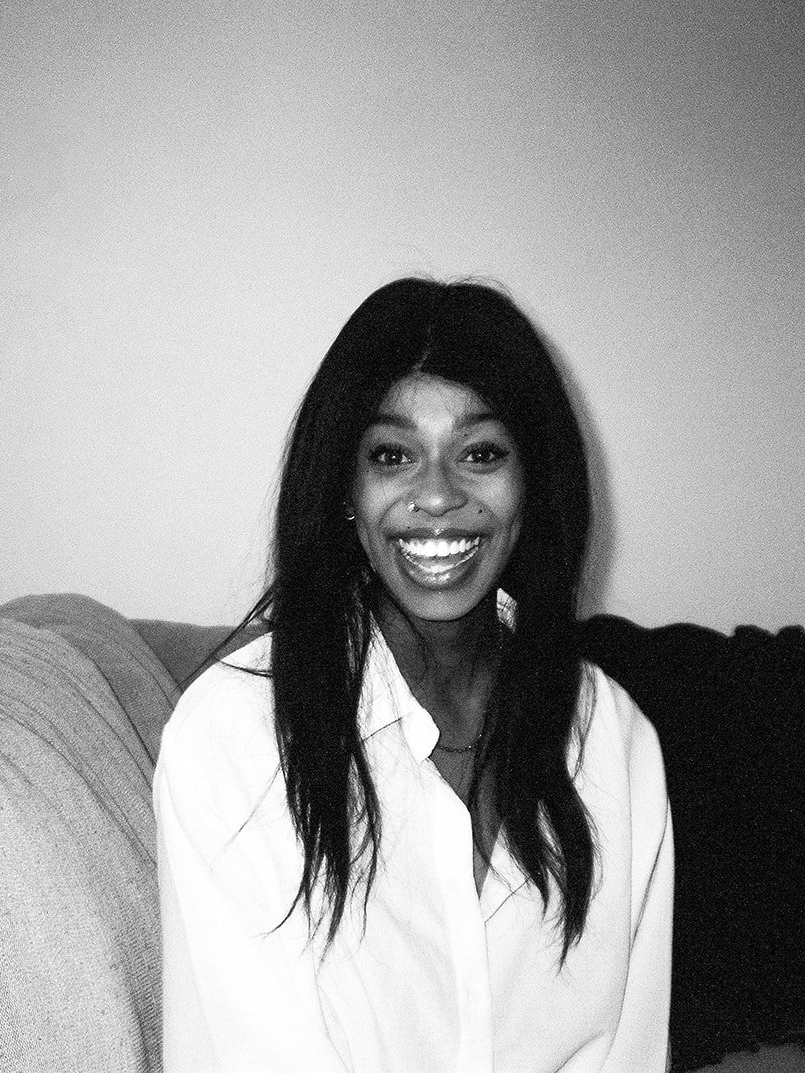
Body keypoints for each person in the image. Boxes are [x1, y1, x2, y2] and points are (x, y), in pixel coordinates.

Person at [154, 277, 673, 1073]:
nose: (437, 494)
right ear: (345, 489)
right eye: (392, 455)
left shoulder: (614, 738)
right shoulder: (232, 738)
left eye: (481, 453)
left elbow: (628, 1054)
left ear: (533, 483)